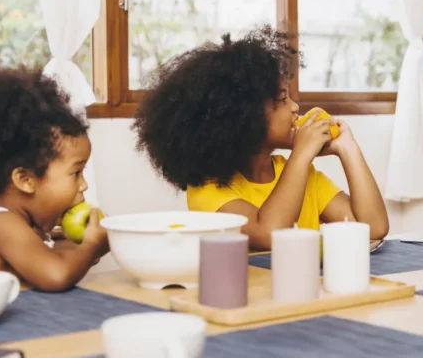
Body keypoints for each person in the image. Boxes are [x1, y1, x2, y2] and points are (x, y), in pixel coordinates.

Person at [132, 25, 389, 251]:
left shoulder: (305, 177)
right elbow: (270, 234)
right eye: (281, 99)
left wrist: (348, 148)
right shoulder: (207, 191)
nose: (294, 107)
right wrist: (300, 155)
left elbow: (372, 229)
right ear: (242, 117)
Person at [0, 66, 109, 291]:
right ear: (26, 179)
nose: (83, 184)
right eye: (76, 173)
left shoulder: (32, 229)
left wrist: (85, 243)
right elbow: (57, 275)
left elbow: (58, 261)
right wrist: (92, 245)